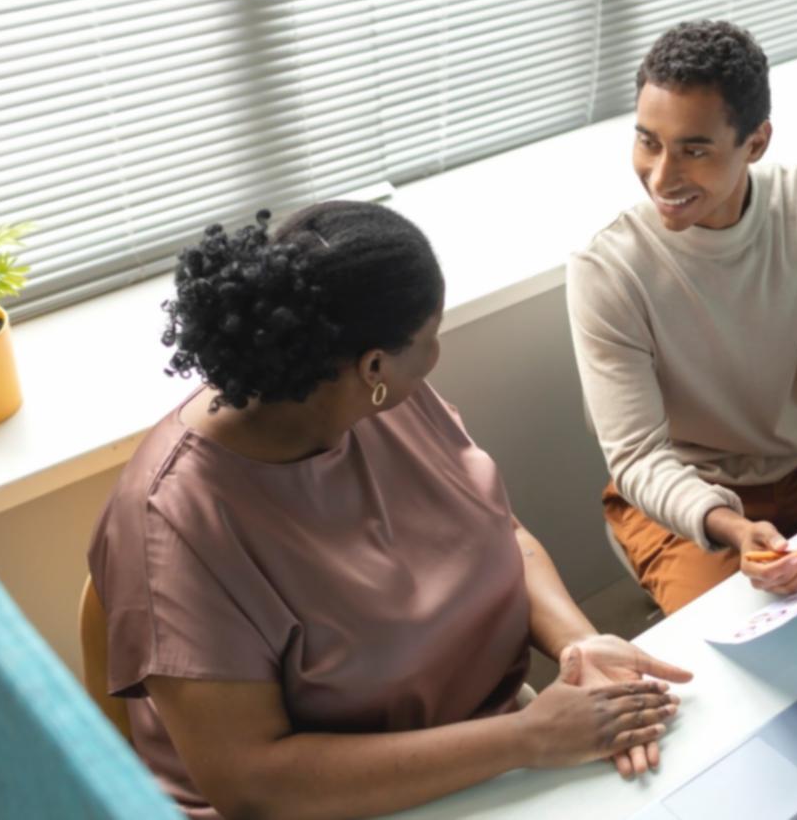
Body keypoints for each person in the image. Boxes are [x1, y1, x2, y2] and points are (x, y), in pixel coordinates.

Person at [88, 202, 691, 820]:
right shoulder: (173, 523)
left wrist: (579, 646)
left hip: (490, 752)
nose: (435, 356)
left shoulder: (376, 397)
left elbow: (499, 535)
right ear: (374, 365)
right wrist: (526, 739)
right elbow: (253, 783)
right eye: (430, 338)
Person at [567, 20, 797, 616]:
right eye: (648, 142)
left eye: (695, 149)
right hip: (686, 492)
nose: (662, 177)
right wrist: (737, 531)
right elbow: (638, 457)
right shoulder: (608, 270)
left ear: (756, 143)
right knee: (747, 652)